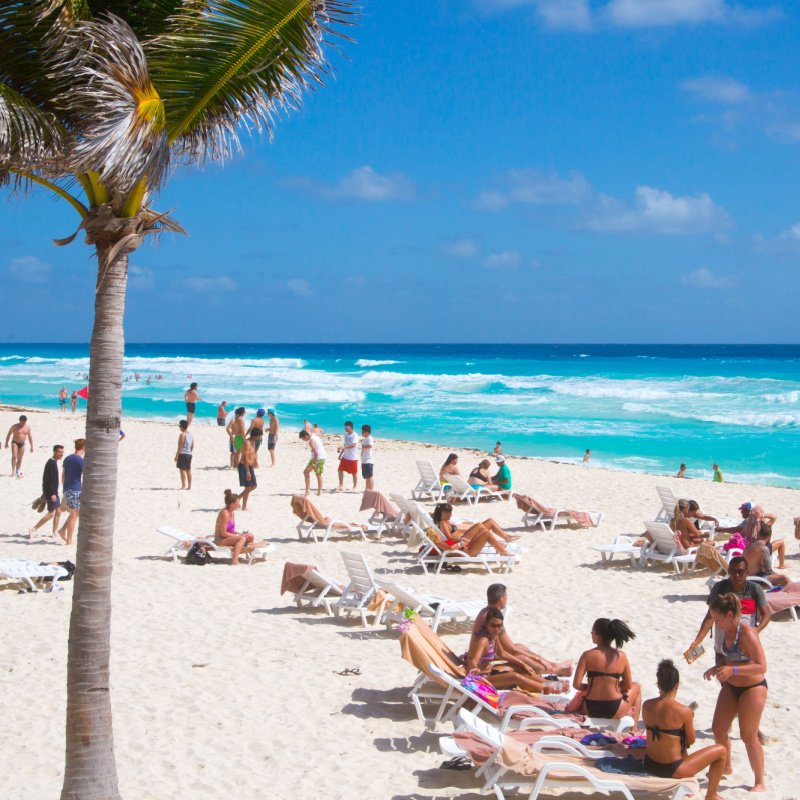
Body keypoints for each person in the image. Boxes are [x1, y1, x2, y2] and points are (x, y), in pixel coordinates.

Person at [704, 593, 768, 793]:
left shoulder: (747, 632)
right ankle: (727, 765)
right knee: (718, 729)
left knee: (748, 736)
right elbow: (731, 657)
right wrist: (718, 667)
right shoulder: (725, 629)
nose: (716, 623)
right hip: (731, 685)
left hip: (753, 687)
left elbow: (761, 665)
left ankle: (759, 781)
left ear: (730, 614)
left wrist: (734, 670)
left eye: (718, 619)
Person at [642, 659, 727, 799]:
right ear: (677, 686)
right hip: (671, 769)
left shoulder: (647, 705)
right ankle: (711, 794)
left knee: (675, 739)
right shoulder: (683, 711)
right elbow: (692, 740)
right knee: (721, 751)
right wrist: (689, 719)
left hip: (650, 764)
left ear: (658, 685)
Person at [688, 556, 770, 669]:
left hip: (745, 643)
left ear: (747, 573)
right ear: (728, 572)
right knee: (722, 674)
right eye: (732, 571)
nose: (736, 575)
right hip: (722, 642)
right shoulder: (719, 588)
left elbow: (766, 615)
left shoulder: (755, 589)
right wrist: (698, 641)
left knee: (743, 673)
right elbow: (710, 617)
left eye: (740, 572)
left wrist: (755, 631)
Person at [473, 584, 573, 677]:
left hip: (488, 653)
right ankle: (556, 670)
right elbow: (509, 650)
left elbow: (508, 648)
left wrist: (539, 659)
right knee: (522, 658)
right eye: (506, 596)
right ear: (501, 599)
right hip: (483, 661)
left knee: (519, 647)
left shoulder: (486, 612)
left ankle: (554, 665)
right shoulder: (493, 619)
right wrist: (537, 659)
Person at [464, 609, 566, 694]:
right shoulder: (483, 640)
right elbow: (473, 659)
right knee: (514, 677)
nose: (496, 629)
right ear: (486, 624)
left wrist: (522, 664)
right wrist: (474, 669)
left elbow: (502, 654)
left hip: (489, 674)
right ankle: (547, 688)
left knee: (519, 668)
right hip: (479, 681)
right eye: (493, 625)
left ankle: (547, 683)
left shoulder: (493, 636)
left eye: (499, 626)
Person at [565, 618, 642, 727]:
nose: (591, 633)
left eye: (592, 631)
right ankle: (633, 730)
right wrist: (615, 686)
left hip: (590, 708)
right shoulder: (621, 656)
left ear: (597, 634)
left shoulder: (587, 655)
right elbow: (628, 685)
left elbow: (576, 685)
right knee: (637, 686)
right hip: (614, 708)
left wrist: (592, 686)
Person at [429, 502, 516, 557]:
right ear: (444, 513)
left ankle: (501, 546)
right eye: (449, 512)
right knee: (480, 526)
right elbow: (449, 538)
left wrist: (432, 515)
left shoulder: (445, 521)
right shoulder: (443, 523)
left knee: (488, 523)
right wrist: (460, 540)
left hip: (466, 541)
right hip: (464, 541)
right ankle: (501, 547)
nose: (451, 514)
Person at [214, 489, 257, 566]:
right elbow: (223, 533)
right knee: (242, 538)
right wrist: (238, 536)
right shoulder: (225, 514)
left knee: (250, 536)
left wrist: (238, 533)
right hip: (220, 540)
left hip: (228, 538)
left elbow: (231, 530)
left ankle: (250, 554)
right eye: (237, 502)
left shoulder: (232, 513)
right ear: (232, 504)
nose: (239, 504)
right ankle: (234, 560)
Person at [30, 444, 64, 537]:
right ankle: (34, 529)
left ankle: (54, 532)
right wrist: (51, 493)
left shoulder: (52, 462)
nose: (62, 454)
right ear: (55, 452)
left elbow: (46, 479)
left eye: (62, 452)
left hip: (52, 492)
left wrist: (45, 492)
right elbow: (48, 480)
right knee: (50, 514)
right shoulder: (51, 463)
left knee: (58, 511)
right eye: (60, 452)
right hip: (52, 493)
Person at [58, 438, 85, 545]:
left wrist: (65, 488)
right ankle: (69, 540)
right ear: (83, 447)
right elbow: (86, 475)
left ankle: (63, 530)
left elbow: (63, 475)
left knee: (76, 513)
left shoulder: (67, 458)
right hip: (75, 489)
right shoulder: (80, 460)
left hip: (67, 488)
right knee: (74, 515)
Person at [300, 428, 326, 497]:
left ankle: (307, 491)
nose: (303, 440)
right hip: (322, 457)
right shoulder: (314, 436)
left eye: (303, 438)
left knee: (306, 472)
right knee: (318, 474)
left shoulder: (311, 441)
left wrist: (314, 463)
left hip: (317, 458)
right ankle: (319, 492)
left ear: (306, 436)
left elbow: (316, 453)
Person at [336, 420, 359, 491]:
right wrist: (340, 454)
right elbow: (345, 445)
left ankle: (355, 486)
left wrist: (344, 447)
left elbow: (353, 445)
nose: (345, 428)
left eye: (346, 427)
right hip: (345, 457)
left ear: (350, 427)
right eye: (345, 426)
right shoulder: (346, 435)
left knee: (354, 473)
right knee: (340, 470)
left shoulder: (355, 435)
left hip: (352, 458)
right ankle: (341, 484)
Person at [237, 437, 257, 510]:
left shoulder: (253, 443)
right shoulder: (247, 443)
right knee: (248, 487)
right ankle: (244, 506)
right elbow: (245, 457)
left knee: (254, 486)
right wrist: (248, 471)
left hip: (250, 466)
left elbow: (252, 454)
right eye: (260, 436)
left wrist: (256, 462)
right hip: (245, 466)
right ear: (256, 436)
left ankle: (238, 498)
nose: (260, 438)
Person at [174, 420, 194, 490]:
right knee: (188, 470)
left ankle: (183, 486)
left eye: (179, 426)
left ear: (182, 427)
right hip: (189, 454)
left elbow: (180, 446)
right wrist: (190, 452)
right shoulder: (191, 434)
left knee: (182, 470)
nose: (179, 427)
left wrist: (176, 456)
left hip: (183, 454)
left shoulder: (182, 435)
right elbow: (192, 445)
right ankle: (189, 486)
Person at [360, 423, 374, 490]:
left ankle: (371, 489)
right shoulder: (365, 439)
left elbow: (370, 445)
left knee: (370, 476)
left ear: (367, 432)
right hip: (364, 460)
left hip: (368, 460)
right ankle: (367, 489)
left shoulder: (370, 438)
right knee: (366, 476)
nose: (362, 433)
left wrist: (363, 446)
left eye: (363, 432)